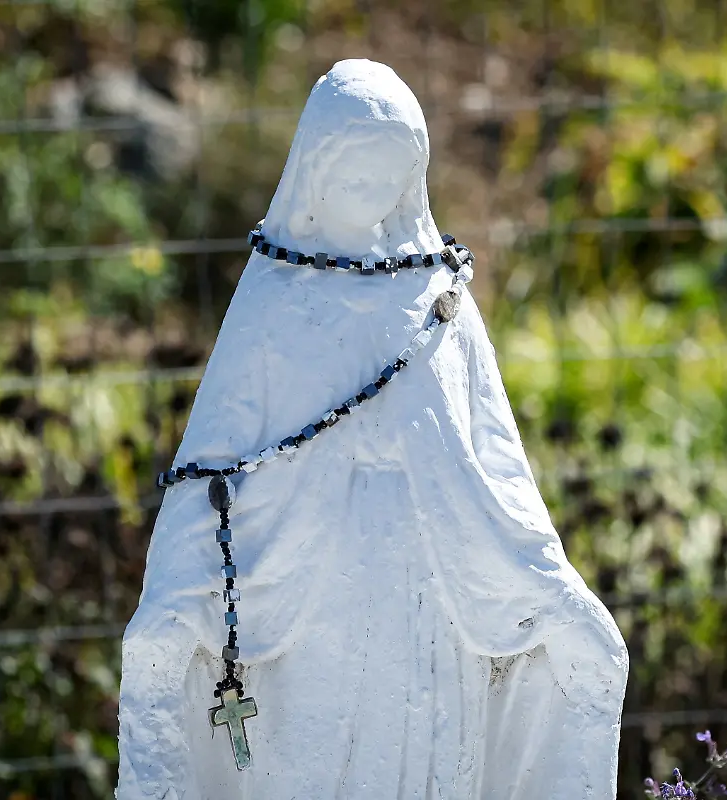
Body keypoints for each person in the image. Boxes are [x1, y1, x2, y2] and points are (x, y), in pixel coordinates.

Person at [117, 58, 627, 800]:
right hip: (311, 596)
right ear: (315, 170)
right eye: (353, 173)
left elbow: (495, 458)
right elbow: (215, 459)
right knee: (312, 760)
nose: (370, 192)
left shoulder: (439, 301)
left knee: (428, 759)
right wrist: (176, 589)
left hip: (429, 589)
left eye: (388, 175)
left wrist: (548, 583)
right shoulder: (276, 303)